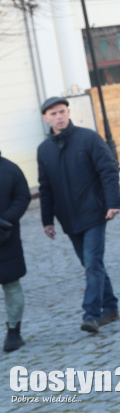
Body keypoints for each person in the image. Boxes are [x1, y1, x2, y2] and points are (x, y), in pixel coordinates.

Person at [37, 96, 120, 333]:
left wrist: (113, 202)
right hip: (69, 218)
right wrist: (47, 220)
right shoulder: (44, 150)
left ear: (68, 112)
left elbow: (108, 170)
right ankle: (111, 307)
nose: (59, 117)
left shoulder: (88, 138)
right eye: (53, 114)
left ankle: (91, 314)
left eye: (62, 111)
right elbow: (45, 187)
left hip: (95, 213)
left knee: (92, 263)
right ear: (46, 118)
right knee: (90, 264)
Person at [1, 150, 30, 351]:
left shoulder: (10, 170)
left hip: (6, 237)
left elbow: (22, 197)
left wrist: (5, 221)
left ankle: (14, 331)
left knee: (11, 285)